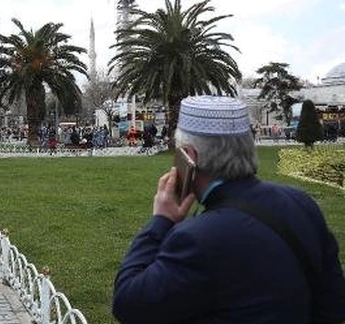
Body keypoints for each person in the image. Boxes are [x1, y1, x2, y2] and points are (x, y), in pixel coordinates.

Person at [112, 95, 345, 324]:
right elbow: (332, 306)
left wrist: (161, 220)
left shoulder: (196, 238)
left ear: (189, 157)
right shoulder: (302, 203)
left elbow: (128, 303)